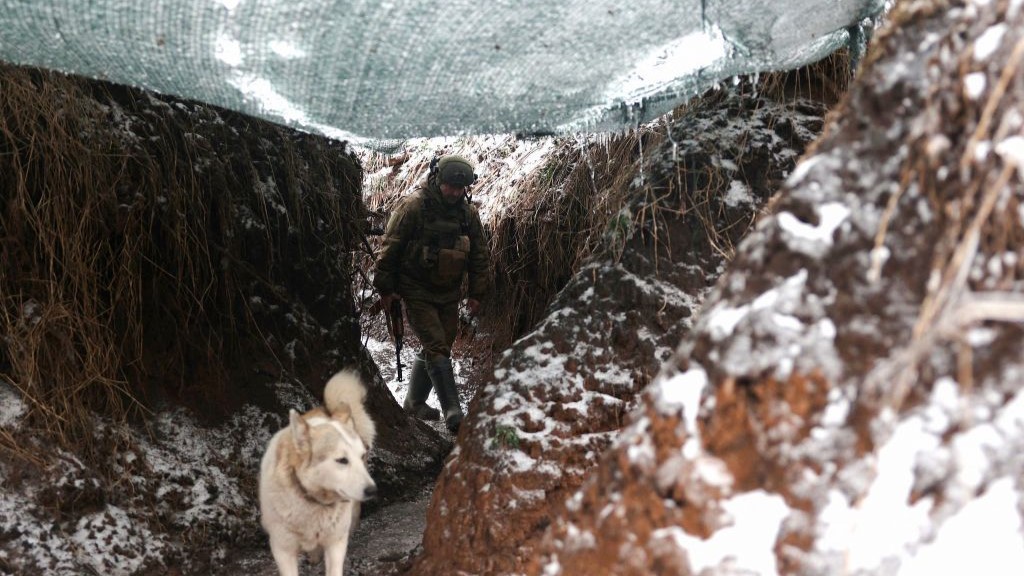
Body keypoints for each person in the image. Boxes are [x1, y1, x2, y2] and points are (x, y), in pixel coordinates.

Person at [373, 154, 491, 434]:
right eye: (449, 186)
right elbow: (390, 250)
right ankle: (454, 411)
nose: (453, 193)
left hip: (448, 291)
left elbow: (479, 256)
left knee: (441, 345)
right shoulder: (413, 207)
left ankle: (414, 402)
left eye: (459, 189)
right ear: (438, 180)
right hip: (416, 290)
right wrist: (386, 289)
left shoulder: (467, 214)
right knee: (437, 344)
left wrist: (476, 292)